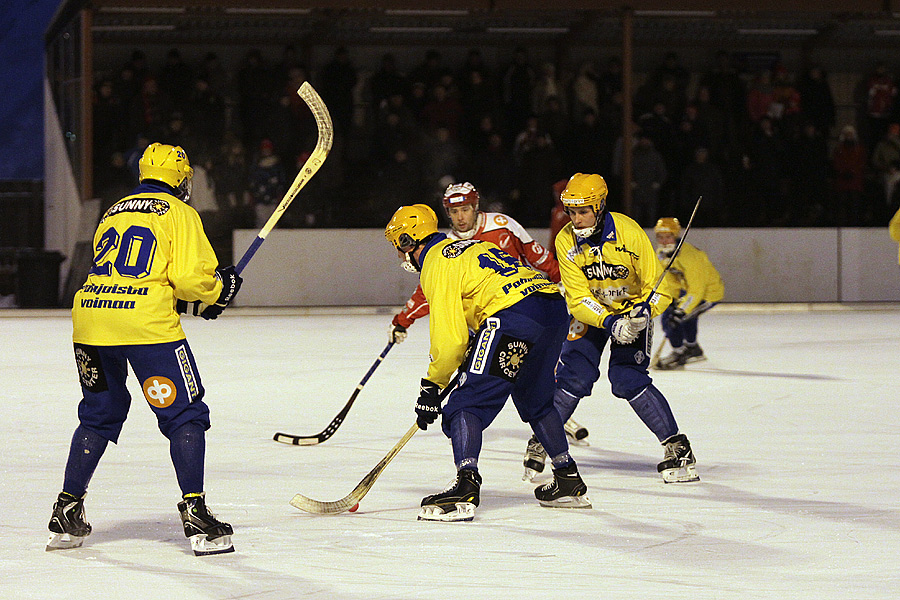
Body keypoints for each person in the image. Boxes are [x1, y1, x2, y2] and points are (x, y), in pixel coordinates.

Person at [47, 143, 243, 556]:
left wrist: (196, 300)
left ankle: (66, 508)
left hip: (91, 320)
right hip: (145, 328)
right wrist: (217, 289)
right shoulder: (180, 212)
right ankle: (196, 513)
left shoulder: (116, 208)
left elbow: (135, 272)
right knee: (185, 413)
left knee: (99, 415)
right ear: (181, 177)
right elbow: (191, 279)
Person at [384, 204, 590, 522]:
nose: (399, 257)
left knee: (464, 405)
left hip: (512, 317)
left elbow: (449, 339)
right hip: (550, 310)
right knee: (535, 400)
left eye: (399, 247)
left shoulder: (435, 263)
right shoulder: (471, 245)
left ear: (410, 242)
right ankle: (567, 478)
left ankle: (465, 487)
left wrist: (432, 387)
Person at [523, 173, 699, 484]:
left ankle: (676, 445)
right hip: (593, 315)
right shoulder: (566, 240)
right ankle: (543, 438)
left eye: (583, 211)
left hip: (632, 312)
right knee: (574, 375)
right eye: (572, 212)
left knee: (627, 379)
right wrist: (608, 320)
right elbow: (576, 297)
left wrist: (643, 312)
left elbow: (659, 288)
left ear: (600, 206)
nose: (576, 220)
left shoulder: (629, 233)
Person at [389, 182, 559, 342]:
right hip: (482, 319)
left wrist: (564, 284)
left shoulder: (502, 225)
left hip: (520, 305)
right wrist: (402, 321)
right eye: (454, 212)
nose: (460, 217)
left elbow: (540, 258)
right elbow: (429, 288)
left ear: (475, 207)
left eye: (465, 209)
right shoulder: (446, 246)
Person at [652, 217, 724, 370]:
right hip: (689, 290)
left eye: (668, 236)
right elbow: (669, 279)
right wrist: (670, 298)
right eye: (660, 237)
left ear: (676, 236)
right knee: (673, 314)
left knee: (676, 318)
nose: (664, 241)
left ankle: (681, 352)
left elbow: (697, 289)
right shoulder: (662, 253)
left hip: (708, 293)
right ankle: (692, 348)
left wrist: (681, 310)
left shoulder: (690, 256)